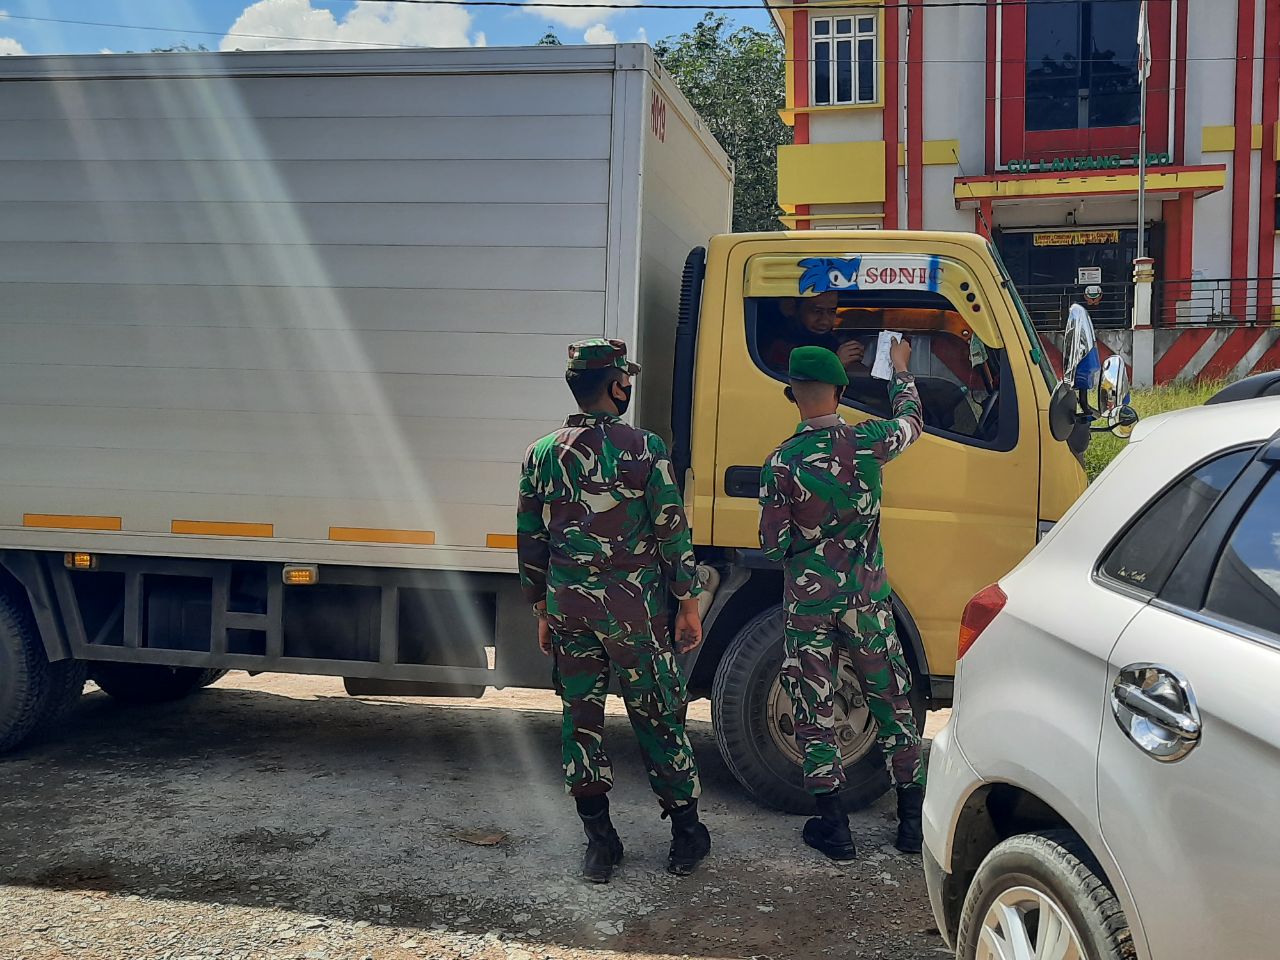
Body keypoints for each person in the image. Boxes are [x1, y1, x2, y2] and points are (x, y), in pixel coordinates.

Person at [516, 337, 712, 884]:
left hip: (570, 611)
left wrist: (542, 609)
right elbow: (672, 532)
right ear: (616, 385)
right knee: (658, 717)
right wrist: (687, 604)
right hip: (636, 615)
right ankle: (685, 837)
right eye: (626, 379)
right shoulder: (646, 450)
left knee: (581, 722)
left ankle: (599, 846)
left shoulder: (542, 453)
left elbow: (531, 543)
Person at [758, 344, 927, 860]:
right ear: (842, 391)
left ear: (793, 396)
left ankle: (835, 830)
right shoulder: (869, 442)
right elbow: (911, 422)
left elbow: (772, 545)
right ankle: (911, 824)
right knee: (892, 701)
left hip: (809, 605)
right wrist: (900, 371)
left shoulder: (780, 462)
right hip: (867, 600)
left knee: (815, 706)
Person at [763, 291, 871, 377]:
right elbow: (797, 387)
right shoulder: (777, 346)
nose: (824, 321)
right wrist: (836, 365)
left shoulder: (830, 341)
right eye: (816, 311)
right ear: (790, 308)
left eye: (832, 312)